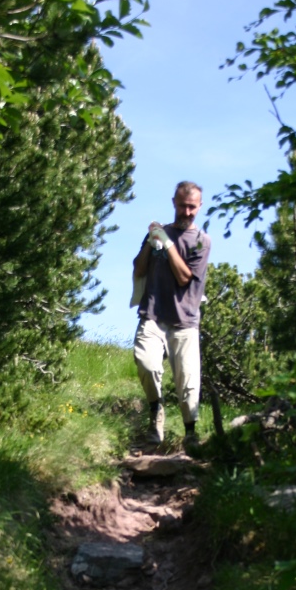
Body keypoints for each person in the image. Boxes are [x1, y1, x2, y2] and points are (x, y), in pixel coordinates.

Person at [132, 181, 211, 445]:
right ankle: (156, 414)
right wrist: (151, 241)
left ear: (199, 206)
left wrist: (167, 244)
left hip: (185, 320)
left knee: (188, 383)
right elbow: (139, 269)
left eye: (192, 207)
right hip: (153, 314)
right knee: (146, 363)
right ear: (173, 203)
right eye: (182, 206)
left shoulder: (201, 242)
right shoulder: (160, 232)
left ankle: (190, 434)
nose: (187, 212)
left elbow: (184, 278)